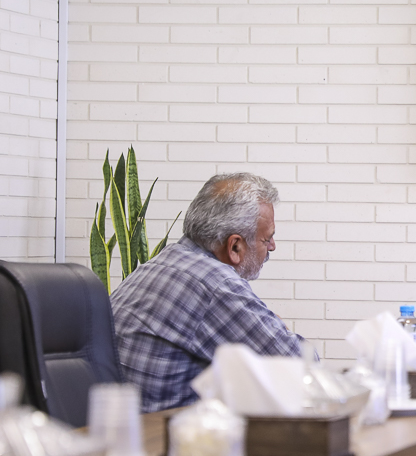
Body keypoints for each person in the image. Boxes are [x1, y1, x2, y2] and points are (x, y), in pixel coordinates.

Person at [111, 173, 305, 412]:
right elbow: (301, 368)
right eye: (267, 238)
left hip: (125, 425)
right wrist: (279, 326)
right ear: (235, 246)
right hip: (166, 431)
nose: (273, 246)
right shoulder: (216, 285)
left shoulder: (161, 262)